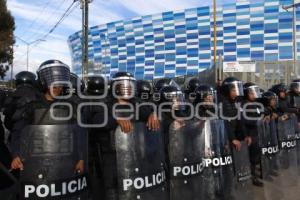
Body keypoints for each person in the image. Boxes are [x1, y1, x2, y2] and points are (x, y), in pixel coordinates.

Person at [10, 60, 87, 199]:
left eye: (59, 81)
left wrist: (81, 159)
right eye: (53, 81)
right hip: (35, 161)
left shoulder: (70, 106)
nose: (57, 86)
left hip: (65, 161)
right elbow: (18, 132)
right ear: (43, 81)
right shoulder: (30, 104)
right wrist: (16, 155)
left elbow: (79, 134)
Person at [90, 72, 159, 200]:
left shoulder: (137, 104)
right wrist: (114, 119)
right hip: (112, 160)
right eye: (123, 85)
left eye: (130, 84)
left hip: (135, 158)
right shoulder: (104, 104)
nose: (127, 88)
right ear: (115, 86)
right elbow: (96, 120)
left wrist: (153, 114)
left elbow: (151, 109)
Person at [220, 77, 252, 151]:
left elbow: (240, 121)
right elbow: (225, 123)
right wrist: (232, 139)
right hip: (224, 140)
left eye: (237, 90)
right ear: (226, 91)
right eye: (233, 91)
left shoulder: (236, 102)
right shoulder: (221, 104)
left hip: (235, 138)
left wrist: (245, 136)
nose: (236, 93)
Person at [242, 82, 264, 186]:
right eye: (251, 93)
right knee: (250, 157)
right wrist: (256, 121)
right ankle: (252, 178)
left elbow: (261, 114)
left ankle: (256, 174)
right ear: (246, 93)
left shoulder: (255, 103)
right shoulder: (243, 104)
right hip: (249, 134)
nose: (254, 94)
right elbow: (243, 119)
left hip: (257, 133)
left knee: (256, 156)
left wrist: (264, 116)